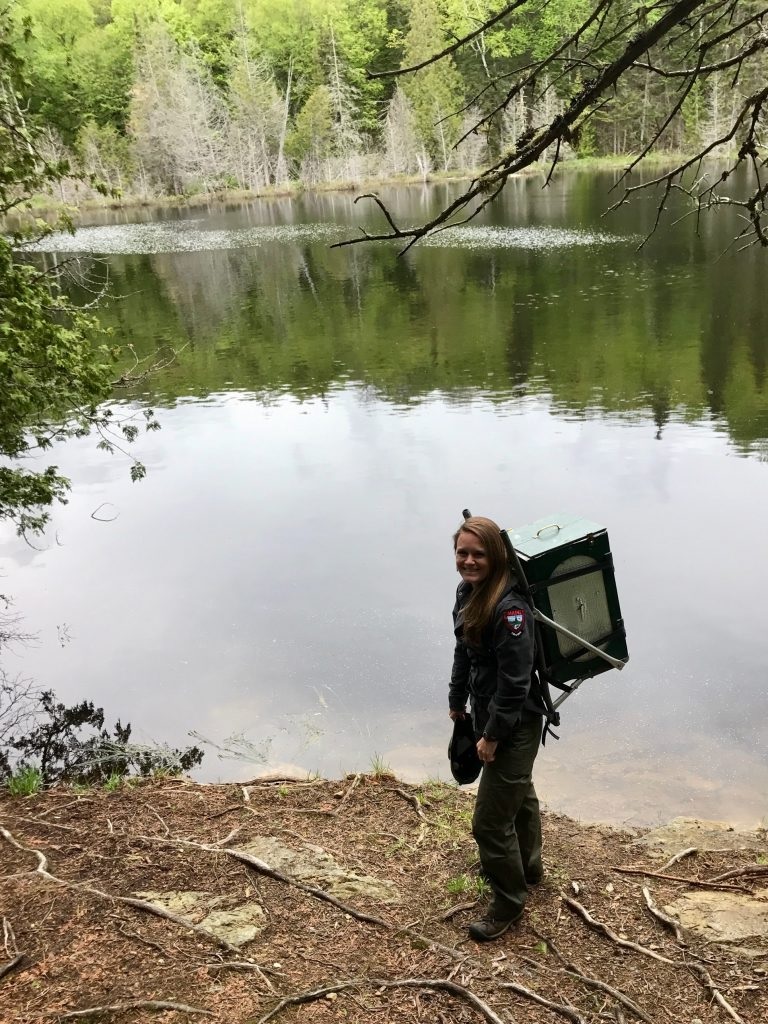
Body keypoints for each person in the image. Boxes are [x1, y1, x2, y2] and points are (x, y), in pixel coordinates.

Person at [449, 515, 547, 942]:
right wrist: (457, 702)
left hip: (515, 722)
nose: (469, 561)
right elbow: (463, 650)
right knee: (518, 791)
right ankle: (529, 866)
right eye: (462, 553)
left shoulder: (511, 612)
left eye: (478, 554)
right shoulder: (467, 592)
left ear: (497, 555)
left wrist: (491, 736)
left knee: (489, 823)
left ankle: (509, 903)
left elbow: (515, 684)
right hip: (485, 711)